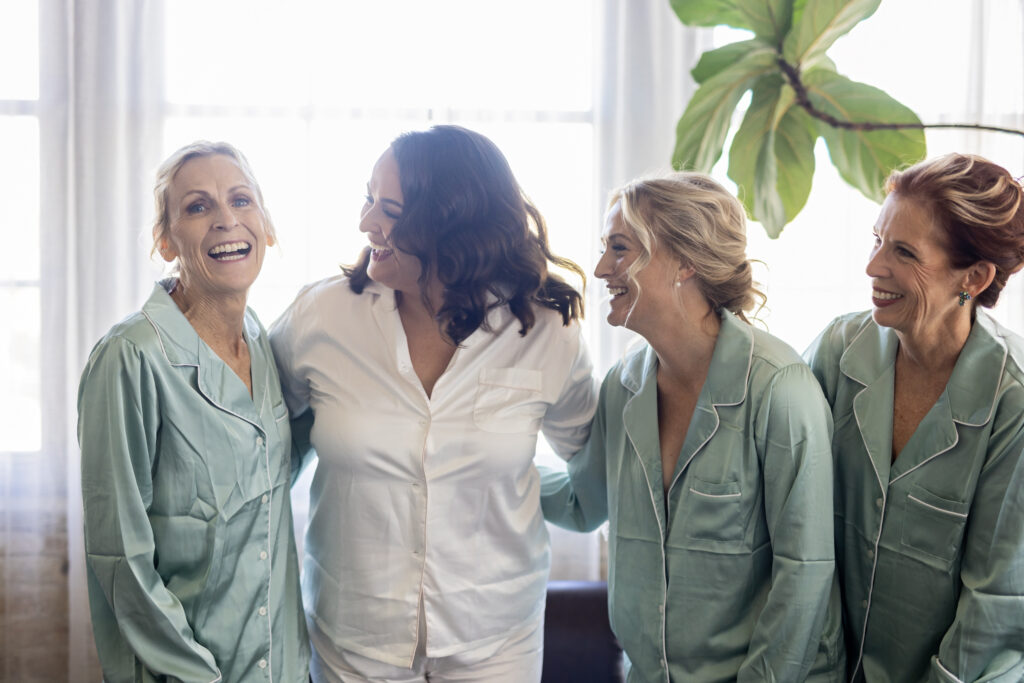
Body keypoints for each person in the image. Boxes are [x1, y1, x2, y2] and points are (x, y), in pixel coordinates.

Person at [269, 125, 597, 682]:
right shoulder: (321, 317)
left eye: (389, 208)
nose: (366, 222)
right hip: (352, 637)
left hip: (497, 641)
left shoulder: (546, 332)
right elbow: (261, 429)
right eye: (368, 199)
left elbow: (594, 460)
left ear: (454, 223)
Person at [542, 171, 845, 682]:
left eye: (620, 248)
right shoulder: (623, 386)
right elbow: (582, 502)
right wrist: (482, 464)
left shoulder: (779, 388)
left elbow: (805, 574)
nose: (598, 269)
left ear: (685, 261)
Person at [78, 141, 310, 682]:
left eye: (241, 200)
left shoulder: (265, 344)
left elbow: (270, 482)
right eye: (198, 207)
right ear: (166, 241)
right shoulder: (130, 357)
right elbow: (122, 559)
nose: (227, 220)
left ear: (267, 227)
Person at [804, 153, 1024, 682]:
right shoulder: (839, 349)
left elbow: (996, 602)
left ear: (972, 276)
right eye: (877, 240)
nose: (874, 267)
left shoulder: (1012, 402)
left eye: (903, 252)